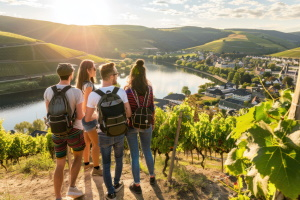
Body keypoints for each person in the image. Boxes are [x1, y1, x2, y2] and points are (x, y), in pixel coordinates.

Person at [84, 62, 131, 200]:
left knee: (106, 162)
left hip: (104, 133)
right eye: (115, 74)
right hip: (120, 131)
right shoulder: (120, 92)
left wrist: (100, 116)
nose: (116, 76)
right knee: (118, 158)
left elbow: (87, 118)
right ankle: (117, 183)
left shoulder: (94, 95)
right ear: (111, 76)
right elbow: (128, 114)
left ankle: (110, 192)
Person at [44, 63, 85, 200]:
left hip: (57, 131)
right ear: (71, 74)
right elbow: (79, 116)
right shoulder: (76, 92)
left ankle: (57, 197)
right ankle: (72, 187)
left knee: (59, 164)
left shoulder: (48, 91)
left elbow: (49, 113)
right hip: (74, 130)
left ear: (58, 74)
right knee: (78, 157)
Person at [124, 59, 156, 194]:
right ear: (144, 74)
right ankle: (152, 176)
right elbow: (152, 107)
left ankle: (137, 184)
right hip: (146, 123)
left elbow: (126, 110)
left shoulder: (128, 91)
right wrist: (152, 123)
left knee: (135, 155)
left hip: (132, 125)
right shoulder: (149, 89)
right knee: (147, 150)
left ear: (132, 74)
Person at [75, 59, 102, 175]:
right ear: (88, 70)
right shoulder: (89, 85)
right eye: (94, 68)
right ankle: (96, 169)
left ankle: (86, 164)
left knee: (87, 142)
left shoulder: (81, 84)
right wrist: (93, 116)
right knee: (97, 143)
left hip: (83, 119)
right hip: (88, 119)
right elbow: (86, 105)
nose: (95, 71)